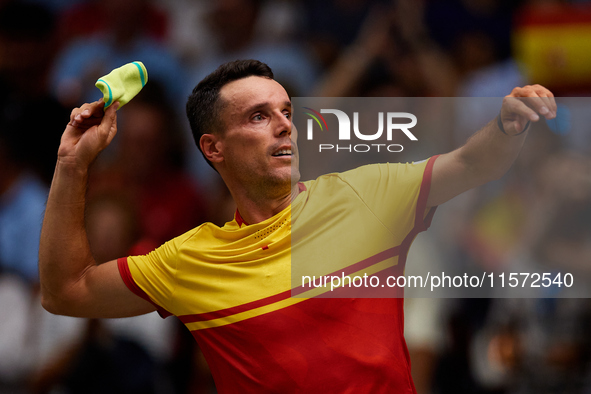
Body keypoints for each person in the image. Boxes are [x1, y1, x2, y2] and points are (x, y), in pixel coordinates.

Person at [39, 59, 556, 393]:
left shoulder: (365, 195)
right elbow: (66, 292)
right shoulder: (189, 260)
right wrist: (72, 165)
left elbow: (472, 164)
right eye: (259, 116)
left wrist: (506, 125)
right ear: (213, 149)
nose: (286, 123)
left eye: (287, 111)